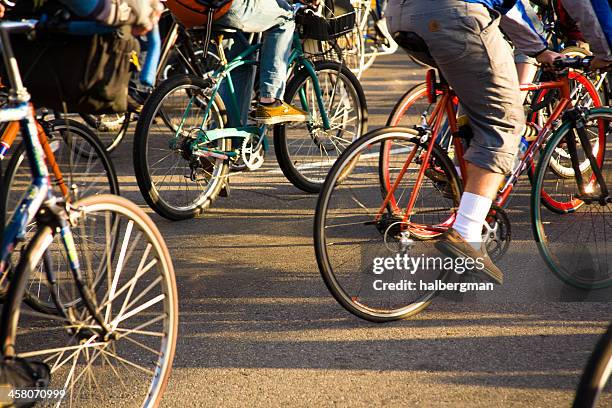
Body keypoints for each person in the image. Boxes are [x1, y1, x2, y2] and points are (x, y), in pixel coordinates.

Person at [385, 0, 564, 284]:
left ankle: (459, 169)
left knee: (472, 88)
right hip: (450, 13)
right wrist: (541, 49)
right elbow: (514, 10)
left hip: (397, 16)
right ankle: (467, 231)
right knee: (505, 122)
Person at [214, 0, 320, 125]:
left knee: (241, 64)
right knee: (286, 16)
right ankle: (270, 100)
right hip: (224, 6)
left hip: (195, 11)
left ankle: (225, 140)